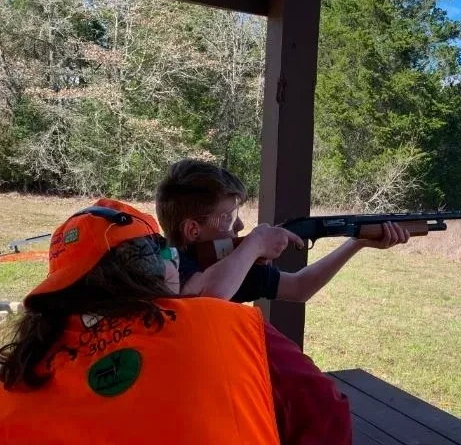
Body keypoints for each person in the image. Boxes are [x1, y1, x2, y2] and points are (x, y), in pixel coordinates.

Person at [0, 199, 352, 444]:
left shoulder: (17, 378)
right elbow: (325, 412)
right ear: (153, 267)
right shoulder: (229, 322)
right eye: (167, 251)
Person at [155, 158, 412, 301]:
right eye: (228, 217)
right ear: (192, 229)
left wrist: (357, 241)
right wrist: (254, 243)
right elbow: (208, 293)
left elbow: (300, 287)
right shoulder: (160, 263)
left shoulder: (234, 265)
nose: (240, 226)